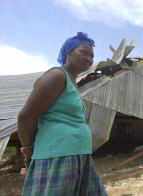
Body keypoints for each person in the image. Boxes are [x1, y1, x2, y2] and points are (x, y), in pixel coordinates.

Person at [17, 32, 107, 196]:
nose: (89, 58)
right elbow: (26, 117)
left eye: (92, 55)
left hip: (78, 154)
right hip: (59, 155)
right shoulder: (57, 75)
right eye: (83, 52)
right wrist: (28, 150)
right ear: (68, 53)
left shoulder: (72, 83)